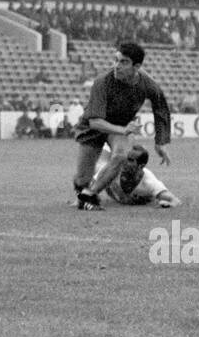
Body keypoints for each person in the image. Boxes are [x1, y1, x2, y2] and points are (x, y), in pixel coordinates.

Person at [71, 41, 173, 211]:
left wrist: (160, 142)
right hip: (93, 128)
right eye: (116, 60)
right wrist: (123, 130)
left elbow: (161, 107)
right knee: (82, 179)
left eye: (123, 62)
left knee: (121, 155)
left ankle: (91, 194)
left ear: (137, 66)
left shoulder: (147, 84)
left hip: (120, 127)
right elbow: (95, 122)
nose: (117, 66)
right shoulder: (102, 82)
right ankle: (84, 192)